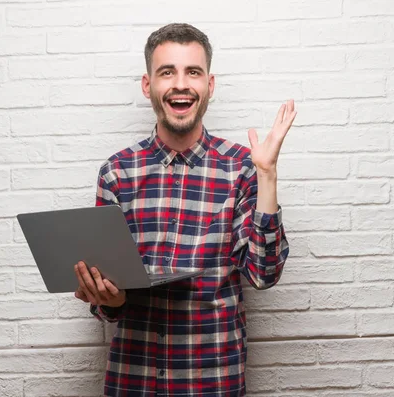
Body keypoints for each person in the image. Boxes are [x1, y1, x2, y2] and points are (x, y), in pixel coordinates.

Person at [73, 23, 295, 397]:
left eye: (192, 72)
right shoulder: (116, 172)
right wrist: (107, 299)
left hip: (212, 381)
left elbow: (263, 275)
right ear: (148, 85)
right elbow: (106, 301)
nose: (180, 84)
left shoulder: (242, 167)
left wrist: (267, 175)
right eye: (167, 72)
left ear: (209, 84)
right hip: (134, 378)